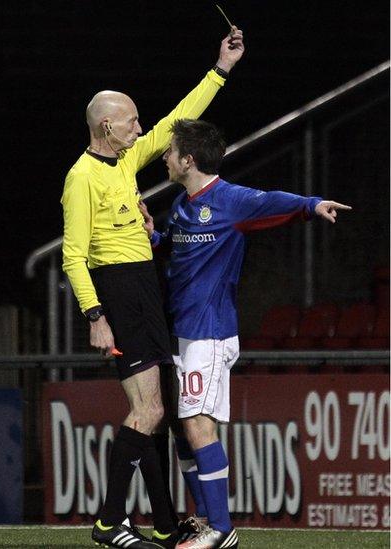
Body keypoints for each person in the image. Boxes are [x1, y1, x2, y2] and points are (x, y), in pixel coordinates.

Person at [61, 27, 245, 549]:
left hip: (144, 289)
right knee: (149, 412)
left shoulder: (122, 161)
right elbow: (73, 255)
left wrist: (221, 69)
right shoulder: (82, 177)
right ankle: (108, 521)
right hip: (117, 292)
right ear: (105, 126)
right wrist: (96, 317)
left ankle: (165, 525)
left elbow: (173, 122)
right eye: (130, 122)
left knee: (159, 415)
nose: (141, 129)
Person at [140, 118, 352, 549]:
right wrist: (154, 236)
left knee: (199, 424)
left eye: (170, 150)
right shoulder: (182, 204)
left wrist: (312, 204)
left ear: (189, 159)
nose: (163, 157)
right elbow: (177, 249)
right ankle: (205, 519)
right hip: (181, 331)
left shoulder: (229, 199)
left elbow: (271, 201)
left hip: (210, 333)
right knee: (184, 429)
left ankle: (221, 528)